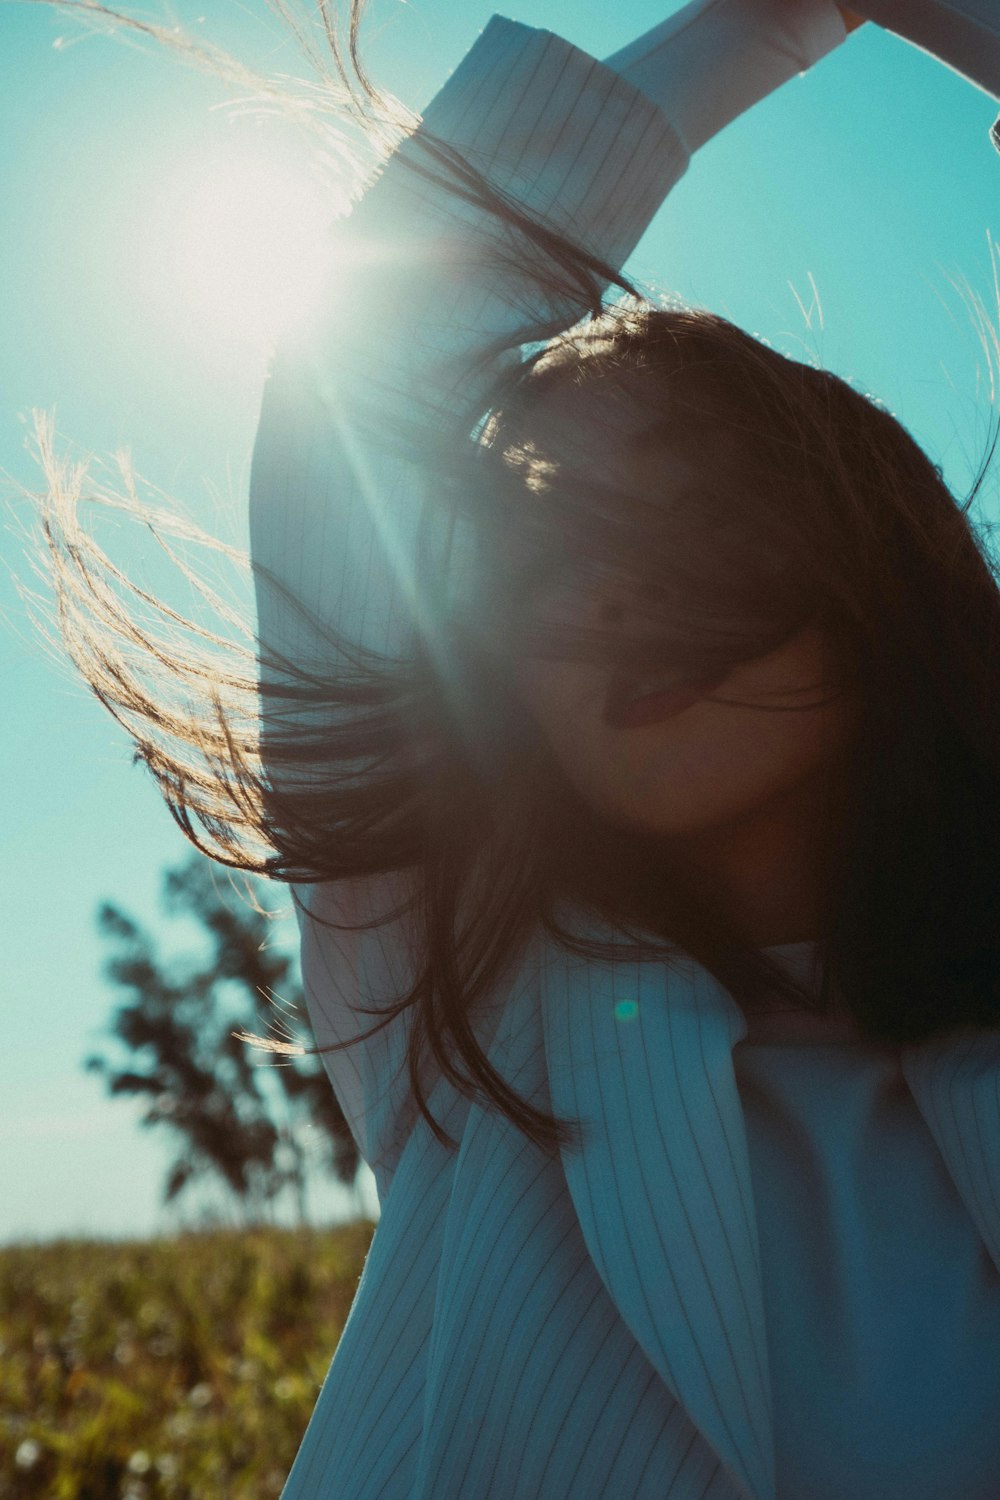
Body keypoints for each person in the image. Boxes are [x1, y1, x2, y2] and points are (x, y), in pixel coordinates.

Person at [27, 0, 1000, 1495]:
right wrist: (767, 24)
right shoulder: (476, 1014)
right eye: (531, 560)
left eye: (675, 511)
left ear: (872, 542)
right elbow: (369, 360)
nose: (597, 588)